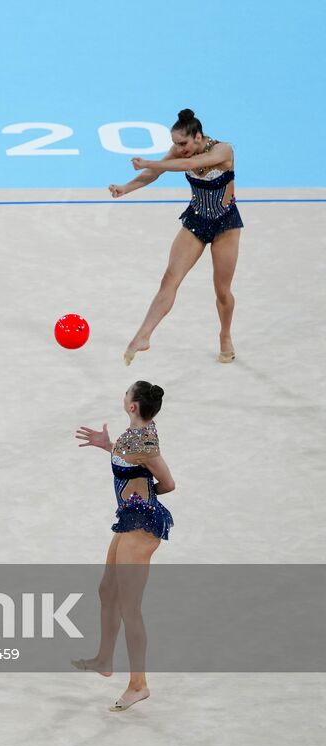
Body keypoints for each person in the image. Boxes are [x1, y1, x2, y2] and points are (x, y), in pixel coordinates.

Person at [72, 381, 176, 711]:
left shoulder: (146, 441)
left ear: (132, 406)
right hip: (129, 519)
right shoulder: (134, 434)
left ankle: (139, 684)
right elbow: (129, 458)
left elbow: (169, 483)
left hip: (142, 526)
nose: (125, 394)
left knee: (130, 608)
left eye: (127, 392)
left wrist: (144, 499)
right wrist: (108, 446)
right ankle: (105, 658)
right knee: (107, 591)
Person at [111, 108, 241, 364]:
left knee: (222, 290)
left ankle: (225, 335)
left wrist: (150, 161)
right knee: (170, 278)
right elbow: (154, 174)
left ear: (198, 136)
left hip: (225, 224)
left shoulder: (223, 150)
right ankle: (142, 336)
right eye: (175, 144)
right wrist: (126, 188)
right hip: (196, 220)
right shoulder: (181, 152)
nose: (179, 149)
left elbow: (190, 165)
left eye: (183, 143)